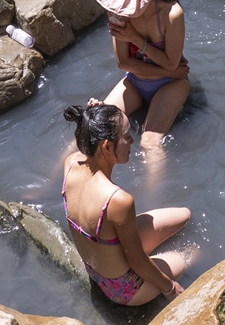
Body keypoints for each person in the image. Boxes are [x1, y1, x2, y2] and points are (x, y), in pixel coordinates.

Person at [62, 102, 190, 305]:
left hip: (96, 266)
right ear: (106, 145)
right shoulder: (118, 200)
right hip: (123, 289)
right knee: (189, 254)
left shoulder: (71, 162)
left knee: (184, 215)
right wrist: (170, 288)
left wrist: (101, 116)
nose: (132, 140)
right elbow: (137, 261)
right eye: (126, 135)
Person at [88, 0, 190, 152]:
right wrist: (170, 71)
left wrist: (135, 38)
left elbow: (171, 63)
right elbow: (124, 63)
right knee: (95, 128)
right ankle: (66, 176)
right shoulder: (118, 12)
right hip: (137, 80)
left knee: (149, 142)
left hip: (172, 83)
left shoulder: (171, 13)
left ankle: (156, 184)